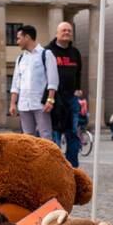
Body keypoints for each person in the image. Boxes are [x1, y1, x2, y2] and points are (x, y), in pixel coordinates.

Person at [8, 25, 58, 142]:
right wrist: (12, 104)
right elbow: (15, 83)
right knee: (27, 139)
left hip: (41, 104)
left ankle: (48, 160)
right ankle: (31, 161)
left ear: (27, 37)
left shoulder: (46, 54)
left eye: (19, 38)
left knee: (45, 137)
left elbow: (53, 80)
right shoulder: (20, 58)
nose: (17, 41)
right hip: (24, 104)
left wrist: (50, 100)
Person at [47, 21, 83, 166]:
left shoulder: (75, 53)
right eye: (64, 30)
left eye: (69, 30)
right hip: (55, 99)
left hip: (71, 98)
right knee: (54, 133)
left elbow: (79, 72)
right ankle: (55, 166)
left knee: (73, 133)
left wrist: (78, 88)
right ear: (57, 33)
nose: (67, 32)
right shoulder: (48, 51)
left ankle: (72, 167)